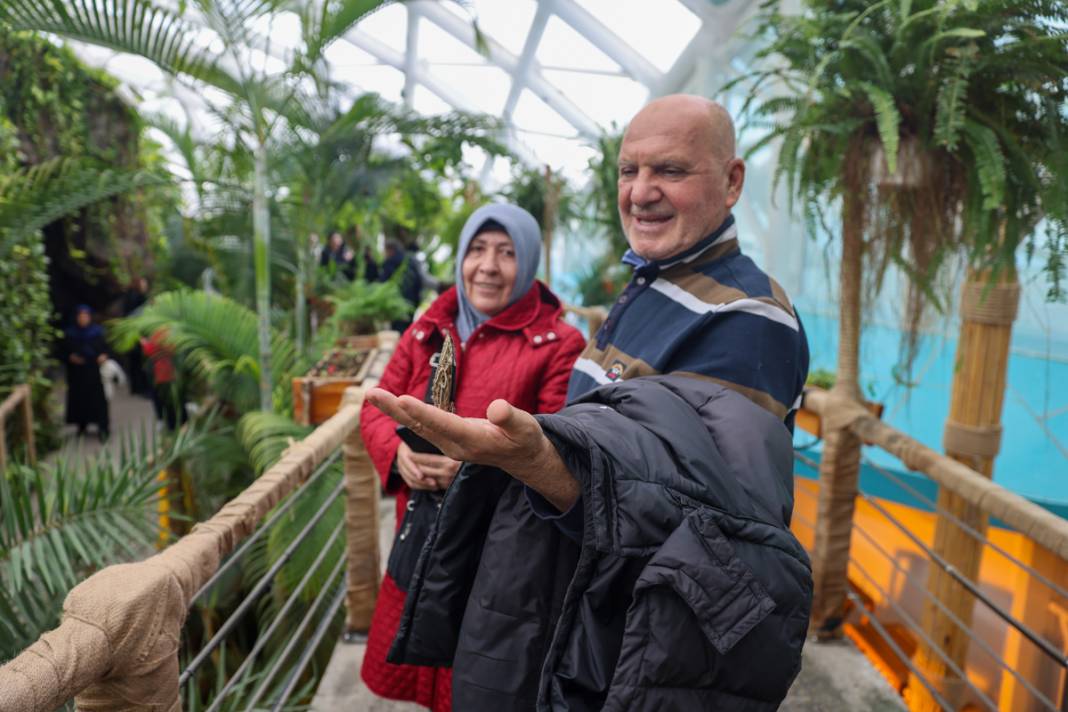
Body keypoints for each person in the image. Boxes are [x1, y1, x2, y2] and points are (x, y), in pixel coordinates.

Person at [370, 95, 812, 710]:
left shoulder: (747, 320)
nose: (641, 191)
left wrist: (534, 460)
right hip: (564, 612)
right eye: (629, 171)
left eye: (671, 171)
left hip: (626, 652)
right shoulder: (652, 285)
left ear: (732, 181)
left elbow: (713, 530)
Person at [359, 203, 586, 712]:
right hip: (421, 533)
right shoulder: (429, 328)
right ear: (461, 256)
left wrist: (473, 467)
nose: (488, 266)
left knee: (482, 675)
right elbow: (375, 405)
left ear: (527, 263)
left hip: (497, 546)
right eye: (478, 250)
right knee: (425, 670)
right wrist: (397, 454)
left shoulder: (557, 345)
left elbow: (562, 443)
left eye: (506, 253)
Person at [61, 305, 111, 441]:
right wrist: (70, 357)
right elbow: (62, 352)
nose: (83, 319)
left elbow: (107, 348)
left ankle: (103, 428)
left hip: (95, 373)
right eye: (80, 316)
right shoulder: (70, 333)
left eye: (85, 316)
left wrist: (104, 355)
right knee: (79, 401)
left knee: (99, 401)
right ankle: (82, 426)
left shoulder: (97, 332)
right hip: (77, 374)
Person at [141, 328, 186, 430]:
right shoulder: (166, 330)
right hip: (165, 372)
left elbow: (149, 350)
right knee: (171, 400)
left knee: (170, 400)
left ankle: (175, 424)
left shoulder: (162, 332)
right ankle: (177, 424)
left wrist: (146, 344)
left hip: (166, 372)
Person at [379, 238, 424, 332]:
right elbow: (419, 282)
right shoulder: (411, 261)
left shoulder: (388, 263)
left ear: (390, 250)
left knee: (397, 332)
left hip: (395, 304)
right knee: (408, 331)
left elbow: (383, 286)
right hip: (411, 303)